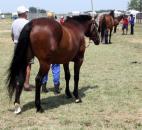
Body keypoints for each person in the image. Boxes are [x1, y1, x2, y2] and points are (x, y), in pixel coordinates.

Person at [11, 6, 33, 91]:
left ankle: (16, 82)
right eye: (26, 12)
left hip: (16, 44)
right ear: (23, 13)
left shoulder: (14, 22)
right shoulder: (27, 22)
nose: (27, 14)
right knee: (28, 64)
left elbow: (12, 35)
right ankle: (26, 84)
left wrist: (15, 41)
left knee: (17, 64)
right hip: (26, 46)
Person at [41, 13, 61, 94]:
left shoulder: (43, 27)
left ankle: (44, 87)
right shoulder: (57, 26)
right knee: (56, 68)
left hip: (45, 50)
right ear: (53, 17)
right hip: (55, 50)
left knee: (45, 68)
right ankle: (56, 89)